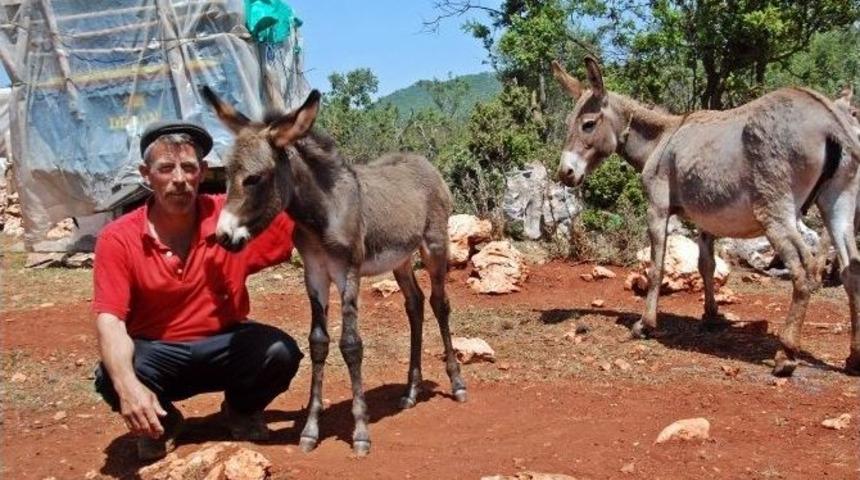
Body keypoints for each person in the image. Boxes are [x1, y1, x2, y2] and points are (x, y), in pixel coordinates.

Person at [92, 120, 302, 460]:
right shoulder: (118, 238)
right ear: (146, 174)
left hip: (225, 345)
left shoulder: (231, 215)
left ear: (202, 172)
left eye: (188, 167)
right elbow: (110, 321)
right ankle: (164, 423)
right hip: (158, 353)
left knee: (279, 352)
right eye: (165, 168)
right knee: (112, 375)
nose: (179, 178)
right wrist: (128, 387)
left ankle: (241, 410)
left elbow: (296, 212)